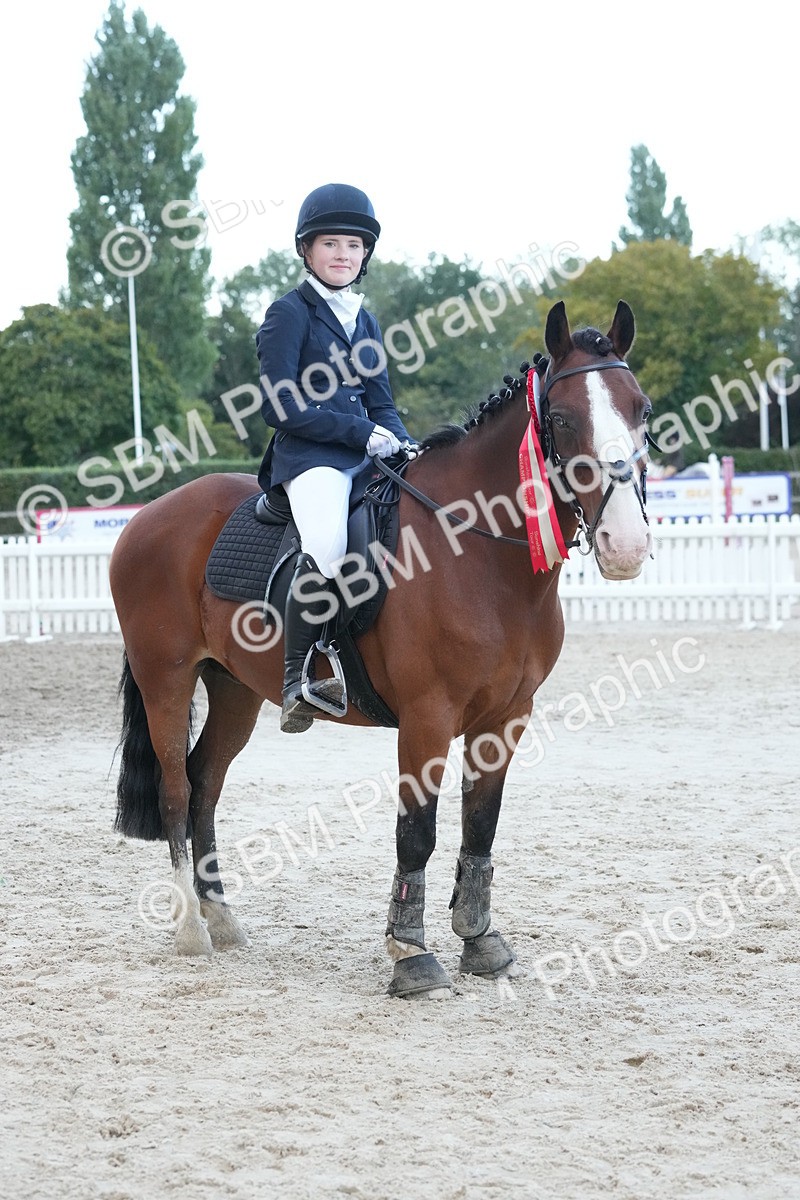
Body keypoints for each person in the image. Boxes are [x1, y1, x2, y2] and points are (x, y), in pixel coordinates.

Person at [256, 183, 415, 735]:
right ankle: (296, 678)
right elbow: (280, 405)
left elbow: (382, 403)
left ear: (365, 253)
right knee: (326, 544)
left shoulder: (365, 321)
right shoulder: (288, 313)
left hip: (363, 454)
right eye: (330, 243)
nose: (343, 254)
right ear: (306, 250)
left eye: (353, 245)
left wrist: (405, 443)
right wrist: (360, 432)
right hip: (310, 459)